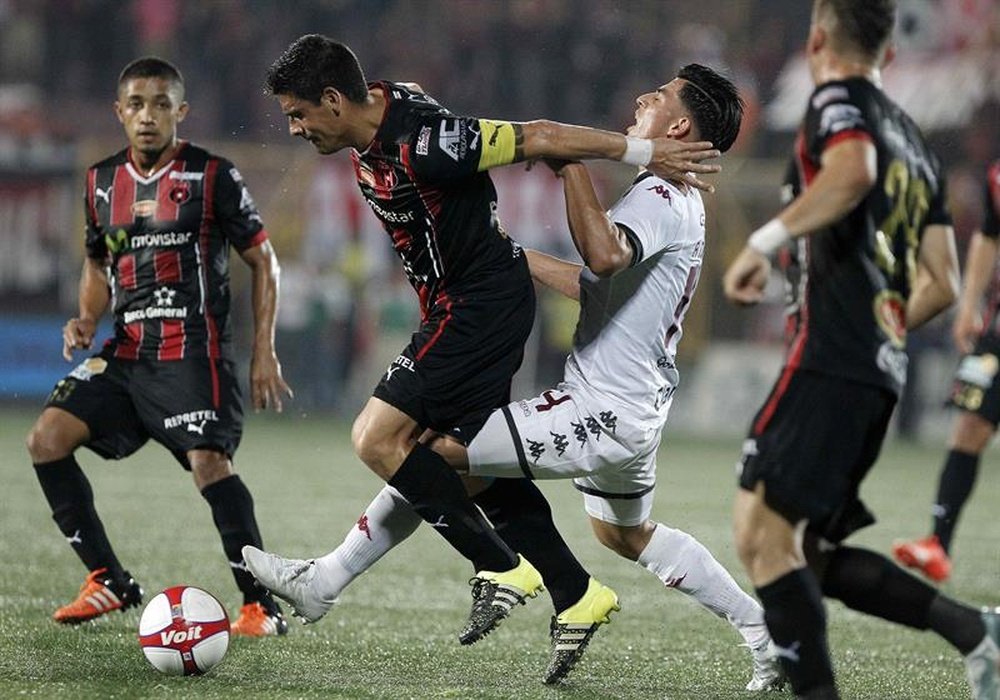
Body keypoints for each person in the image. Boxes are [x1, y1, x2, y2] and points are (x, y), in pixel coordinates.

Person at [246, 62, 784, 691]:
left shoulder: (662, 194)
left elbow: (604, 256)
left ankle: (331, 580)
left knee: (425, 453)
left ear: (681, 124)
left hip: (600, 410)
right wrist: (502, 252)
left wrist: (568, 160)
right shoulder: (671, 199)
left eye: (659, 96)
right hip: (636, 408)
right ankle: (766, 634)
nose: (643, 96)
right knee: (623, 532)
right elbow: (596, 289)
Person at [723, 2, 999, 698]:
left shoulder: (838, 100)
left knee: (759, 533)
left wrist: (764, 243)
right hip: (875, 367)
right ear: (892, 56)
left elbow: (851, 173)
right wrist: (882, 327)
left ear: (817, 37)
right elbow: (944, 281)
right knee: (804, 552)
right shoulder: (915, 139)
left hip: (829, 358)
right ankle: (977, 633)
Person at [25, 57, 293, 637]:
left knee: (208, 464)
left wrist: (263, 349)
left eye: (161, 104)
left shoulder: (213, 175)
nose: (148, 116)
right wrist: (86, 316)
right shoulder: (99, 182)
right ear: (119, 112)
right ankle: (108, 580)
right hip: (128, 350)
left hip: (193, 351)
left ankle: (259, 605)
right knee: (46, 439)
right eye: (137, 105)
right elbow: (98, 261)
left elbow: (262, 258)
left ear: (181, 111)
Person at [893, 158, 1000, 583]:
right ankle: (938, 543)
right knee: (969, 426)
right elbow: (989, 238)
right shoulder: (995, 175)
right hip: (996, 330)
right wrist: (969, 306)